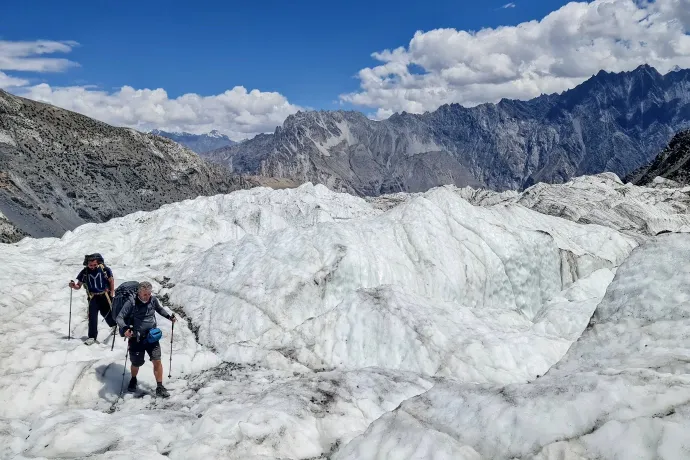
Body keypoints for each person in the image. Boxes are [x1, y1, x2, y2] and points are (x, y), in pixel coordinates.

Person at [115, 281, 176, 398]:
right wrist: (126, 328)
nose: (147, 297)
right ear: (139, 293)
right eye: (144, 294)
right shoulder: (131, 302)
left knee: (157, 360)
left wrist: (169, 317)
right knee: (136, 363)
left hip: (152, 337)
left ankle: (160, 386)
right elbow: (119, 317)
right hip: (136, 339)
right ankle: (133, 379)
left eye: (149, 294)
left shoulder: (153, 300)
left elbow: (159, 309)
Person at [69, 253, 117, 345]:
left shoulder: (105, 270)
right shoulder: (84, 272)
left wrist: (112, 291)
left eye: (95, 265)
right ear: (87, 264)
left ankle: (114, 326)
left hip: (104, 295)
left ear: (98, 262)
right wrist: (73, 286)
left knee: (106, 313)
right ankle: (92, 337)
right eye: (90, 265)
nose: (93, 267)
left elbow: (111, 280)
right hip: (93, 297)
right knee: (92, 317)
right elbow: (78, 285)